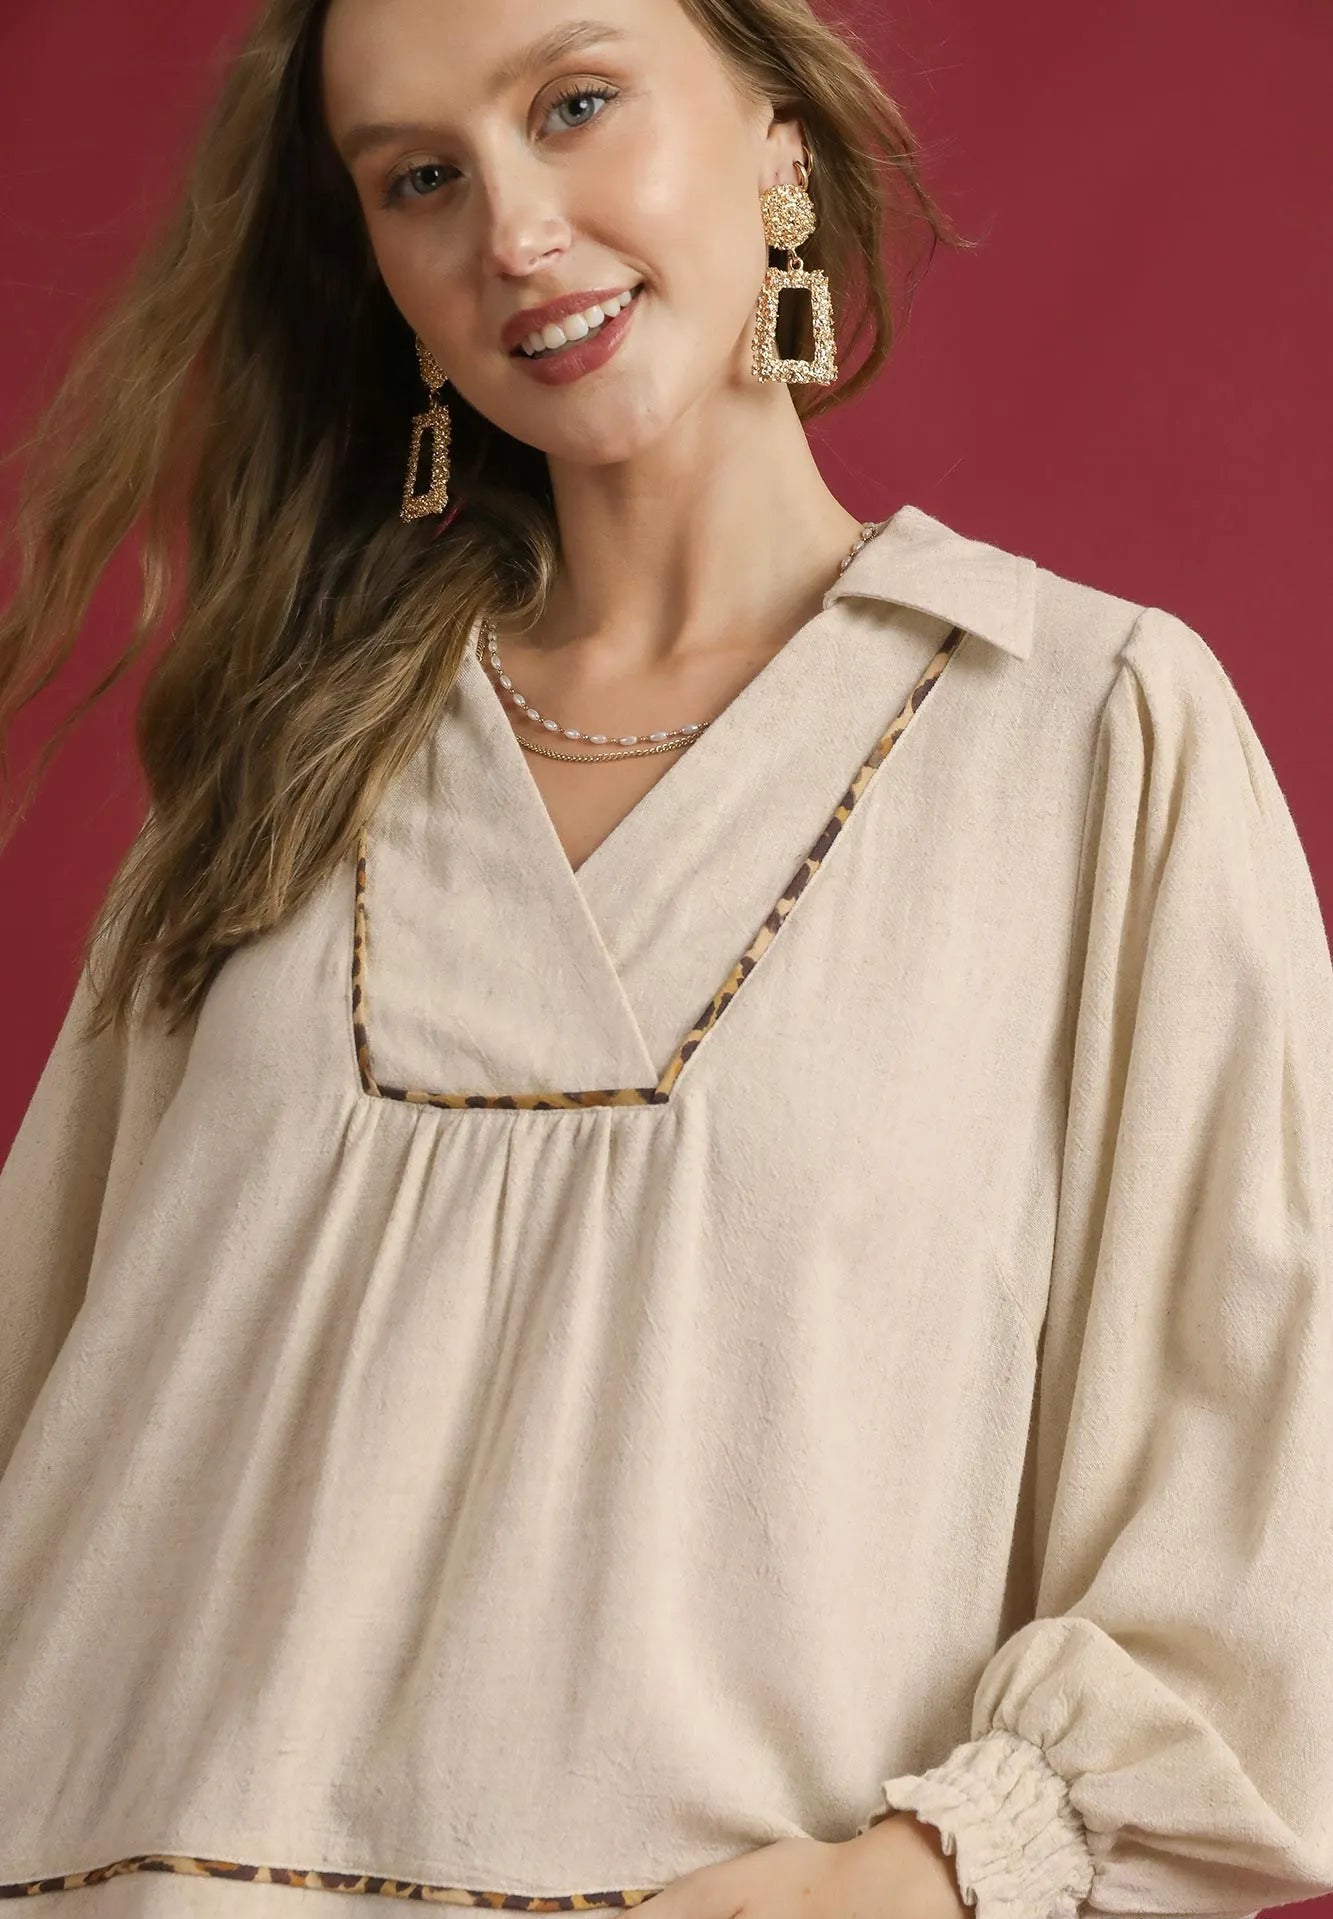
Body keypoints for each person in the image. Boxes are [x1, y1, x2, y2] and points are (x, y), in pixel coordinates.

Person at [1, 2, 1331, 1918]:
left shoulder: (1084, 733)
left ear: (780, 139)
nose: (514, 230)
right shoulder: (267, 793)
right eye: (423, 178)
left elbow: (1254, 1538)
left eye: (577, 104)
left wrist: (901, 1882)